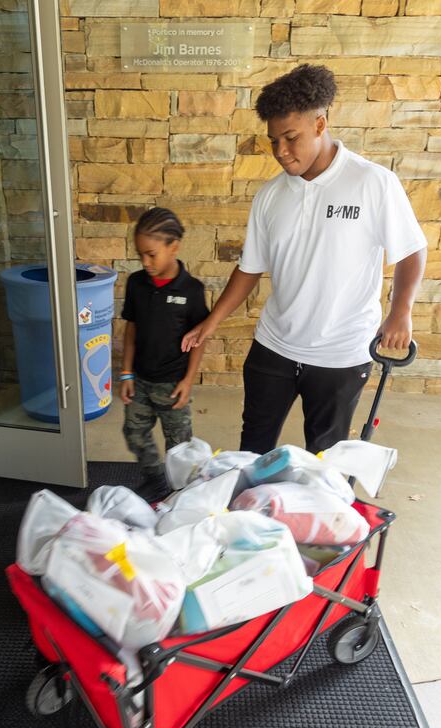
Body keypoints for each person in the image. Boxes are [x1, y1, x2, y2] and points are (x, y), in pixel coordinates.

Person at [182, 64, 427, 455]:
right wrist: (211, 323)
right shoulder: (270, 195)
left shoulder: (373, 183)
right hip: (273, 345)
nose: (281, 151)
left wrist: (401, 312)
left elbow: (411, 250)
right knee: (253, 451)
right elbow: (250, 268)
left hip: (341, 354)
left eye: (291, 137)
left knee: (324, 458)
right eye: (273, 140)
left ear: (319, 124)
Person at [120, 207, 209, 501]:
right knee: (134, 433)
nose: (145, 262)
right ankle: (155, 480)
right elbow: (131, 329)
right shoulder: (136, 283)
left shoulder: (192, 290)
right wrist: (127, 372)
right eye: (140, 255)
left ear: (174, 247)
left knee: (179, 447)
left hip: (173, 385)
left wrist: (187, 380)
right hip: (141, 381)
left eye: (151, 254)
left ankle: (179, 493)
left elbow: (199, 340)